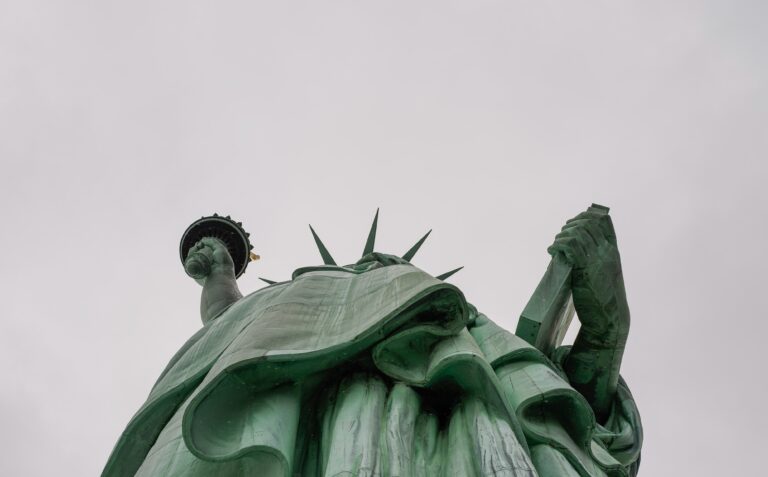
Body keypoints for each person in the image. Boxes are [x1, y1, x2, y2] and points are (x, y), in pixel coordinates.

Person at [103, 208, 642, 477]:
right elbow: (226, 332)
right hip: (309, 406)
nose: (370, 269)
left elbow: (565, 404)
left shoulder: (458, 326)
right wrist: (219, 274)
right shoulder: (293, 303)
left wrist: (606, 313)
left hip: (442, 409)